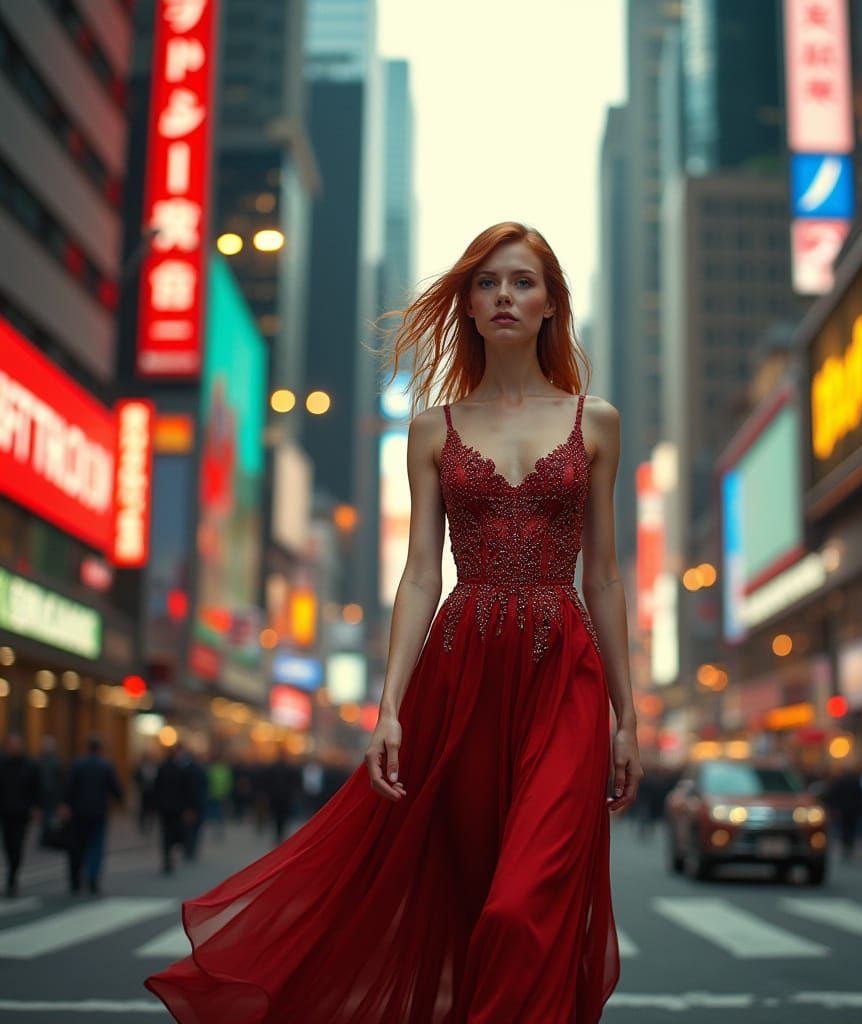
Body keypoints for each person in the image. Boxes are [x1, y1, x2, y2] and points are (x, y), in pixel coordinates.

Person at [146, 222, 640, 1021]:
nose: (504, 296)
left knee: (523, 906)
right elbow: (417, 574)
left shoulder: (599, 421)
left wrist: (628, 714)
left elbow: (608, 576)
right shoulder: (431, 429)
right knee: (477, 897)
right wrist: (389, 708)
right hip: (462, 669)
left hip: (564, 671)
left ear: (550, 303)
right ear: (469, 306)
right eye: (486, 284)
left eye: (521, 281)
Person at [60, 735, 123, 895]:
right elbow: (116, 789)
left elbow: (68, 787)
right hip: (98, 812)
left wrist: (65, 804)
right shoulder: (106, 766)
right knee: (95, 846)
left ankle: (75, 880)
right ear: (100, 749)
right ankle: (92, 878)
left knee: (77, 847)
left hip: (78, 812)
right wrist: (119, 801)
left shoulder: (77, 764)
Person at [0, 733, 41, 897]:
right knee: (7, 845)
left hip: (22, 813)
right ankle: (12, 871)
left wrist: (37, 807)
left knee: (17, 845)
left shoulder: (29, 765)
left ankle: (12, 877)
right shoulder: (2, 764)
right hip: (5, 812)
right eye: (10, 745)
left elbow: (36, 788)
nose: (12, 748)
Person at [153, 744, 192, 875]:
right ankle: (171, 856)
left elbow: (156, 788)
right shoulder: (180, 769)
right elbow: (186, 790)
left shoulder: (162, 768)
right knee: (175, 833)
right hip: (177, 808)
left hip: (164, 808)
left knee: (165, 833)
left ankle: (167, 857)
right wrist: (187, 807)